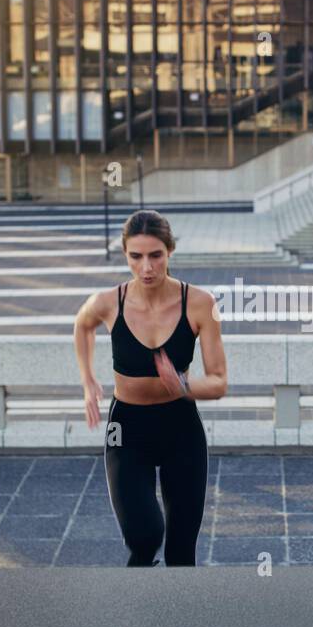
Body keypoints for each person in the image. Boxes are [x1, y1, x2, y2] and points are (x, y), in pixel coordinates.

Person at [73, 210, 227, 566]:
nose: (146, 268)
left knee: (181, 550)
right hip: (125, 428)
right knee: (144, 536)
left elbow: (219, 381)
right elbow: (81, 327)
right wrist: (87, 381)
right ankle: (137, 609)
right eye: (136, 257)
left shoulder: (201, 303)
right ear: (125, 254)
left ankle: (180, 619)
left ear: (170, 252)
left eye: (155, 255)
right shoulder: (108, 302)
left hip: (181, 427)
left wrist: (184, 384)